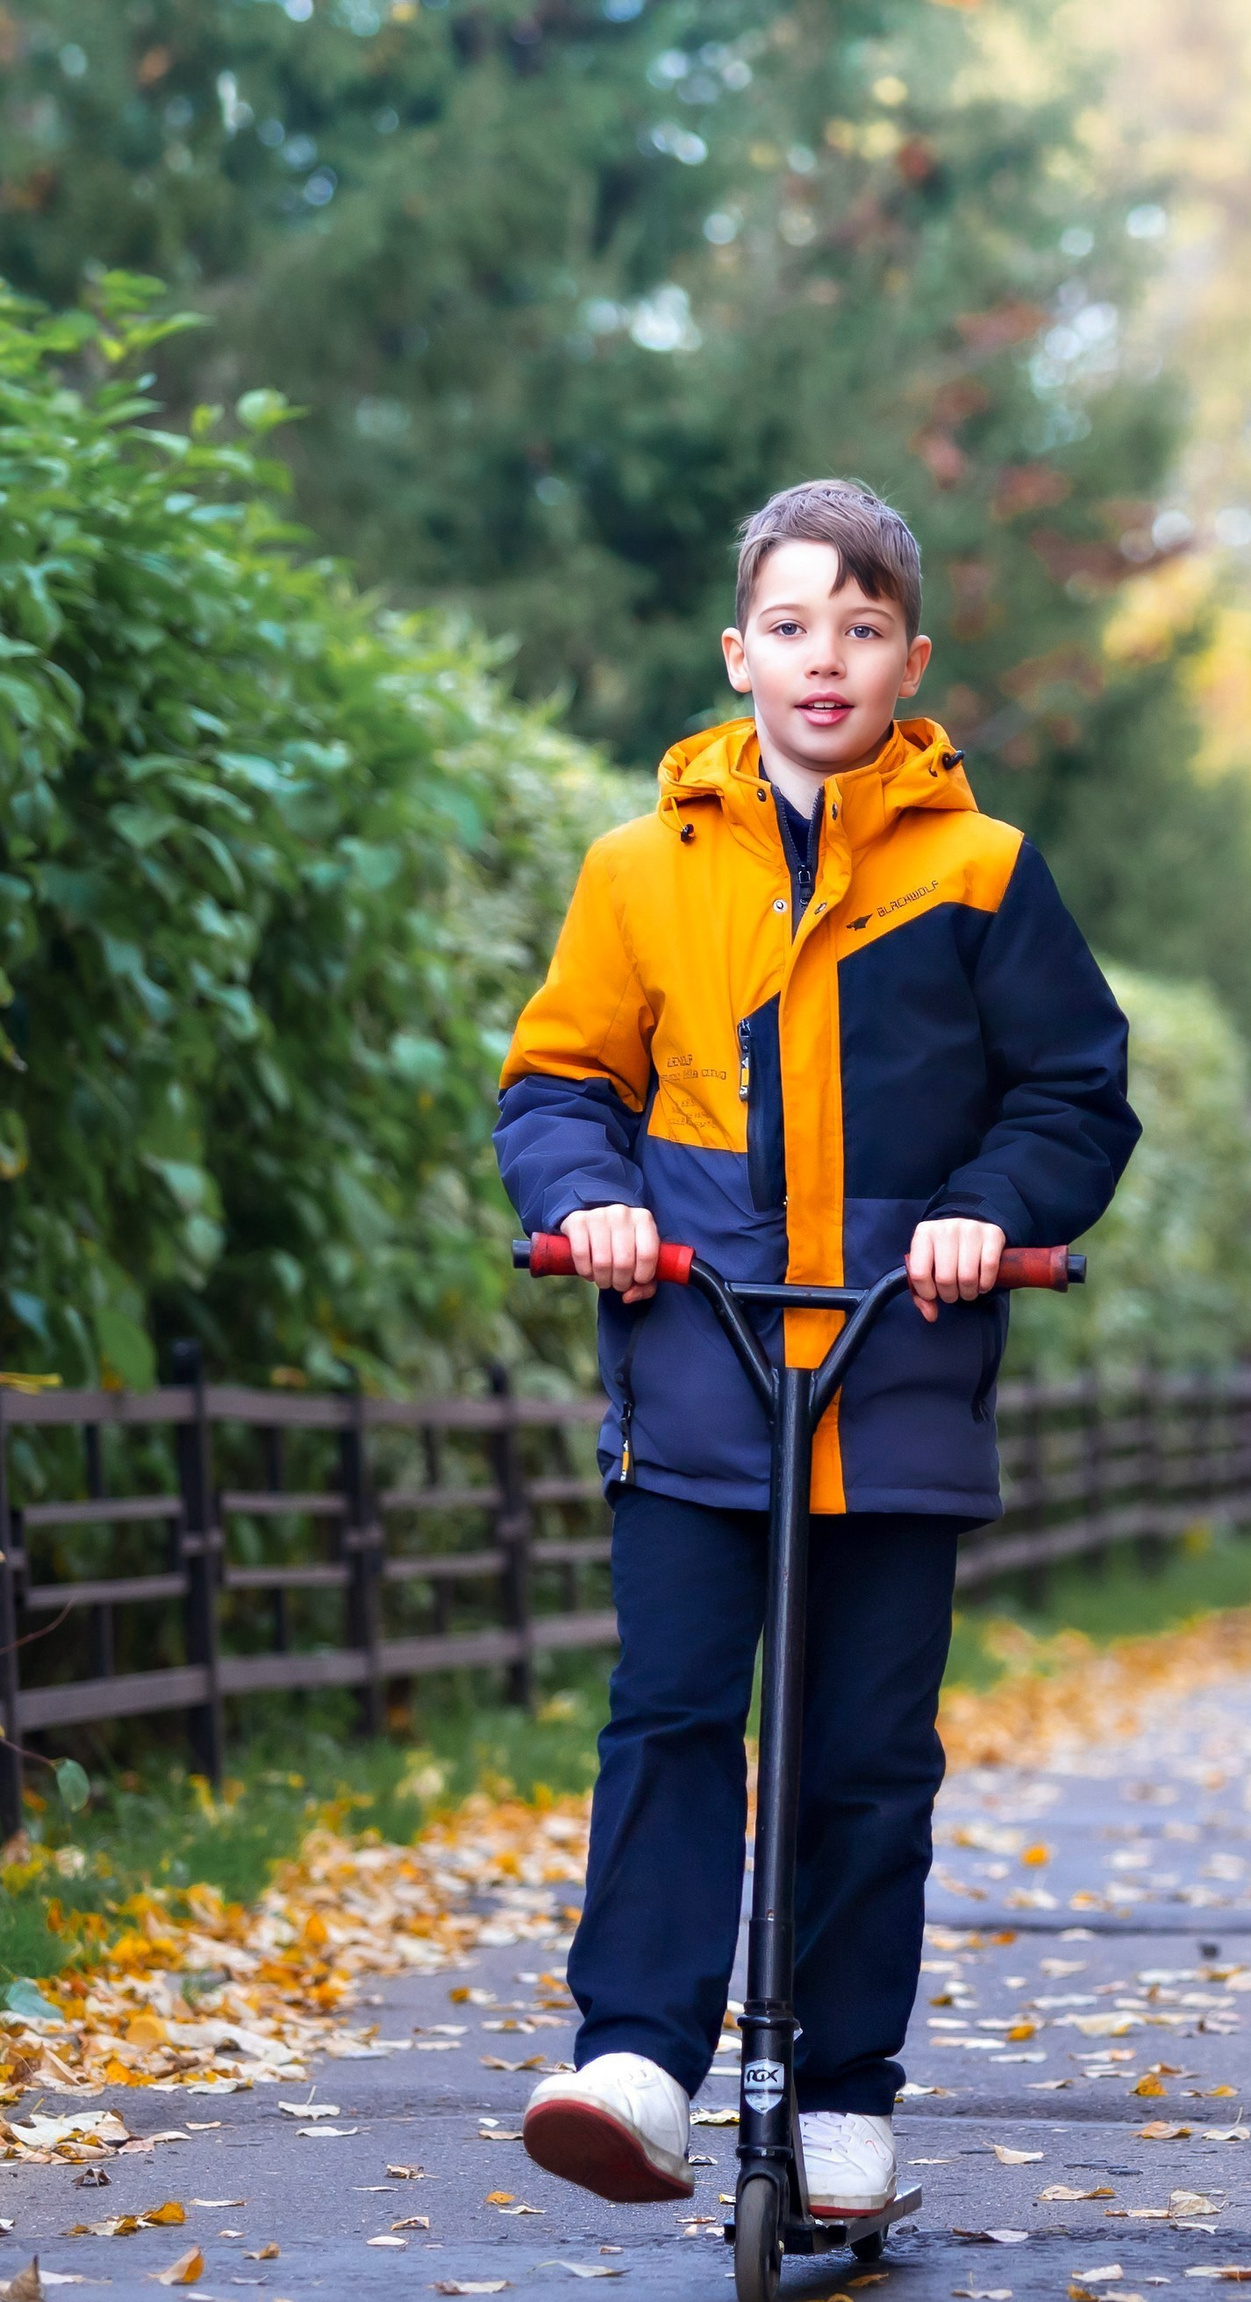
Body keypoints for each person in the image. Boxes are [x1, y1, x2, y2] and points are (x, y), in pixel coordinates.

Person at [493, 478, 1138, 2214]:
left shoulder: (980, 871)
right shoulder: (643, 870)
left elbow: (1077, 1094)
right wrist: (599, 1201)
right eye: (791, 626)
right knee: (677, 1710)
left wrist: (987, 1210)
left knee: (866, 1752)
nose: (825, 658)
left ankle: (845, 2091)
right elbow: (558, 1083)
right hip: (697, 1364)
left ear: (909, 658)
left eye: (861, 629)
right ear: (740, 651)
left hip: (896, 1371)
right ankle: (636, 2057)